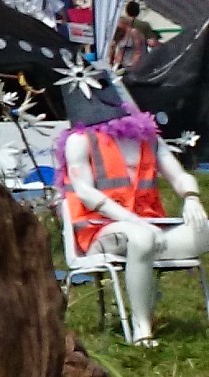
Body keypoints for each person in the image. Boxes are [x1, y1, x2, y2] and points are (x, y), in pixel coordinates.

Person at [61, 85, 209, 347]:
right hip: (99, 231)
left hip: (153, 228)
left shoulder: (148, 139)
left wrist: (191, 198)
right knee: (140, 238)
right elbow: (85, 192)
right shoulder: (80, 140)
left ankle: (147, 274)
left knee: (202, 231)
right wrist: (133, 221)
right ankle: (142, 328)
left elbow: (178, 175)